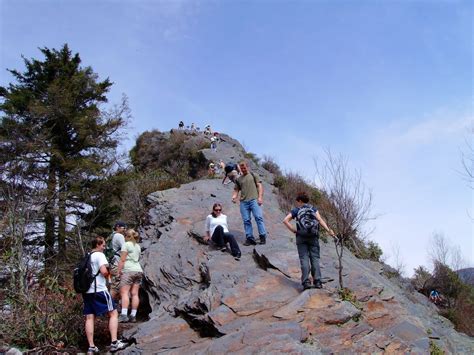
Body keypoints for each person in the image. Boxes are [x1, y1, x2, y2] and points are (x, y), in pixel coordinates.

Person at [82, 236, 126, 354]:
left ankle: (91, 347)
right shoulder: (99, 255)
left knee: (89, 317)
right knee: (113, 313)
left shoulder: (88, 256)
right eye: (103, 245)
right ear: (98, 245)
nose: (104, 247)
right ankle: (114, 342)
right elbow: (103, 271)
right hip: (99, 289)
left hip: (87, 291)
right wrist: (109, 274)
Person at [283, 192, 335, 290]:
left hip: (301, 237)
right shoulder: (313, 209)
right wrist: (329, 230)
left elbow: (285, 220)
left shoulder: (296, 210)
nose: (297, 203)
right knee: (315, 258)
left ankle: (306, 282)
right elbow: (319, 220)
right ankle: (317, 281)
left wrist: (294, 230)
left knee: (304, 259)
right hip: (313, 237)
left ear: (300, 201)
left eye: (297, 201)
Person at [232, 161, 267, 246]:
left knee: (258, 218)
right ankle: (249, 238)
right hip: (243, 202)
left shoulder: (253, 175)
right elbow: (236, 190)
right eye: (242, 168)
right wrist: (234, 196)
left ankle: (262, 236)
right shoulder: (239, 179)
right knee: (246, 220)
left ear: (248, 167)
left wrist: (260, 197)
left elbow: (259, 186)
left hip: (254, 200)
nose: (243, 169)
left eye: (244, 167)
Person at [117, 229, 144, 323]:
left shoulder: (126, 245)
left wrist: (118, 271)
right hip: (138, 270)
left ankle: (124, 315)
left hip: (128, 270)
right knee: (135, 293)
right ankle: (133, 315)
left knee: (124, 293)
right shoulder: (138, 246)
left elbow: (122, 260)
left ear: (127, 236)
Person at [110, 221, 127, 300]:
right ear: (118, 227)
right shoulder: (119, 236)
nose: (125, 229)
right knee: (116, 286)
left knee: (114, 285)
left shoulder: (111, 235)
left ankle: (112, 305)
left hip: (111, 263)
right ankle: (110, 306)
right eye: (123, 227)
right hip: (117, 263)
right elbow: (124, 249)